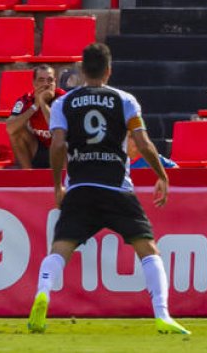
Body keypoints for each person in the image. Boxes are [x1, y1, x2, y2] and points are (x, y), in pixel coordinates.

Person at [27, 43, 189, 335]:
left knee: (60, 248)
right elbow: (143, 143)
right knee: (147, 248)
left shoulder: (64, 103)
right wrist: (162, 175)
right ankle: (163, 314)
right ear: (109, 70)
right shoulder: (125, 99)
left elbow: (59, 145)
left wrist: (56, 186)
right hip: (116, 187)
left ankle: (43, 293)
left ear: (80, 71)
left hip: (80, 187)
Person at [6, 65, 65, 170]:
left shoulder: (63, 98)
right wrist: (35, 106)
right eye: (41, 80)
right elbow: (10, 128)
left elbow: (57, 129)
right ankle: (29, 176)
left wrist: (43, 103)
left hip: (60, 151)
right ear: (34, 83)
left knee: (65, 138)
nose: (46, 84)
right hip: (38, 149)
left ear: (55, 82)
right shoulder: (26, 99)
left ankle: (63, 178)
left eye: (50, 80)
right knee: (17, 132)